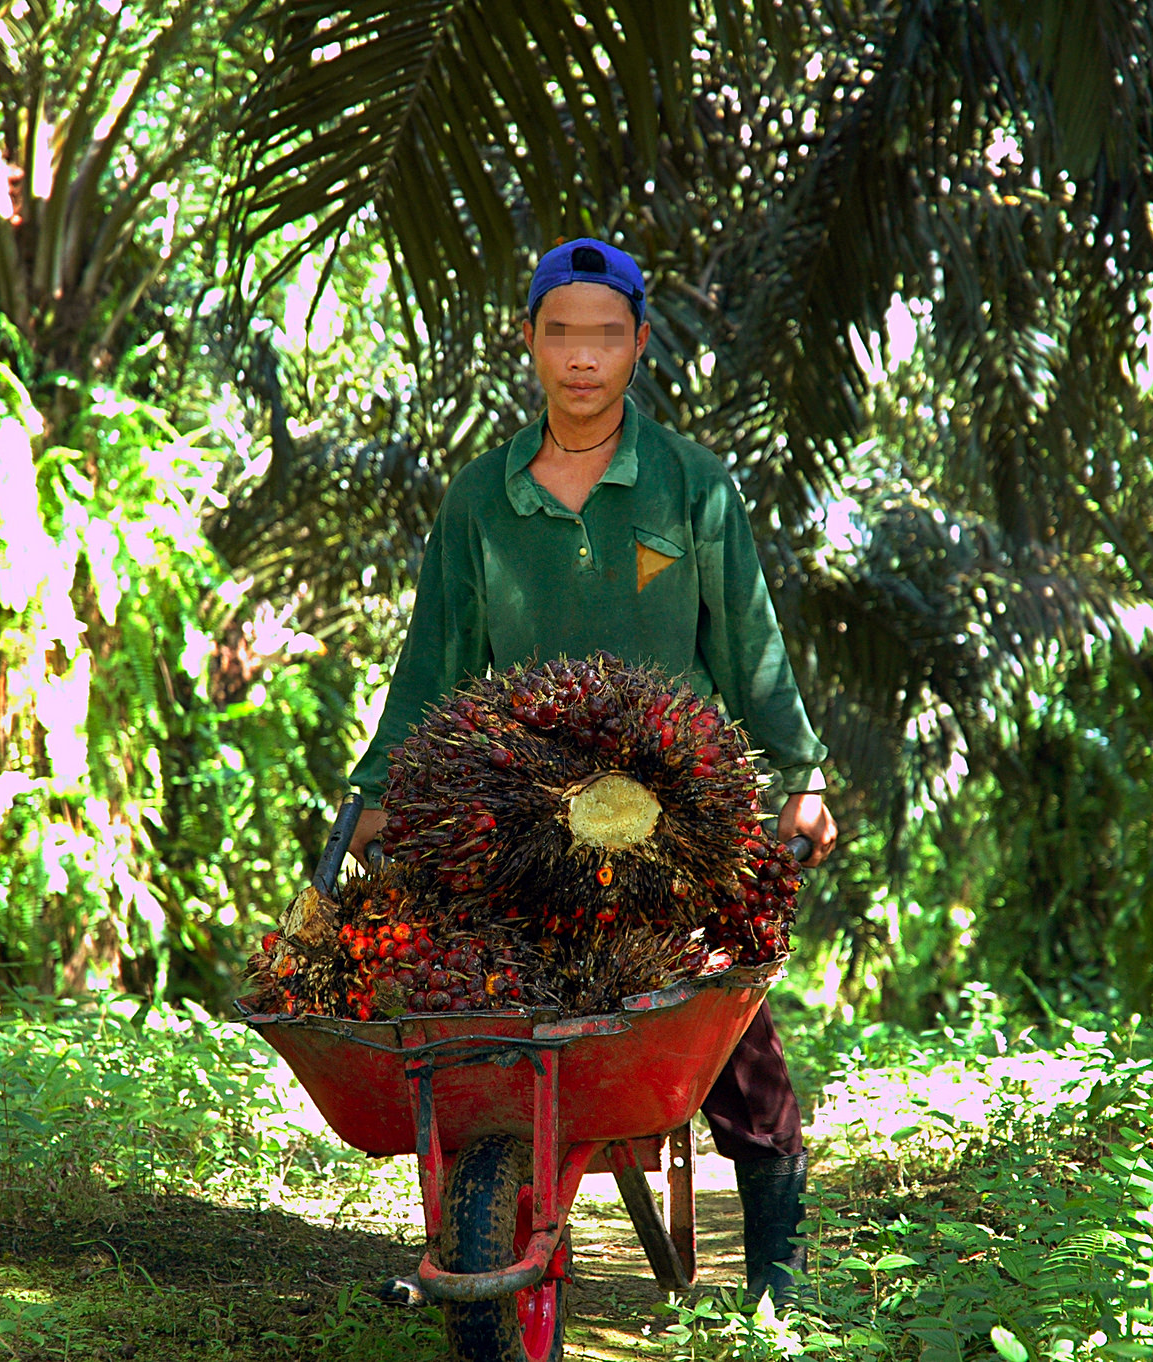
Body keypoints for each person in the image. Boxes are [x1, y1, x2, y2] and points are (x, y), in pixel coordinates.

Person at [348, 237, 839, 1307]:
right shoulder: (481, 499)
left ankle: (776, 1285)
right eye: (559, 332)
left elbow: (749, 646)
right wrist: (377, 792)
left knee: (726, 1027)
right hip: (514, 817)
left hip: (677, 819)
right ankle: (481, 1214)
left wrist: (799, 774)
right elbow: (432, 660)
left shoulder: (689, 486)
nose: (581, 358)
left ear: (638, 345)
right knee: (476, 1007)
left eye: (604, 335)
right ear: (528, 342)